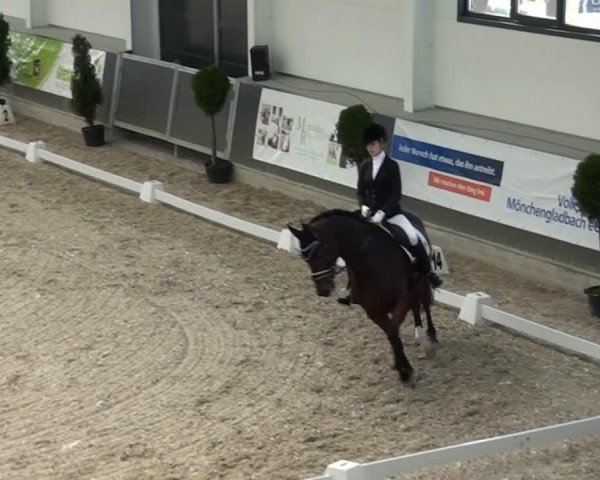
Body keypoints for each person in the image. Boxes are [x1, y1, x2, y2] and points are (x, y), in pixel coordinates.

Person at [338, 123, 442, 306]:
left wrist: (383, 212)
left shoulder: (392, 166)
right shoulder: (365, 166)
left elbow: (396, 194)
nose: (371, 148)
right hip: (368, 215)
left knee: (412, 237)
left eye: (374, 144)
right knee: (353, 244)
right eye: (368, 145)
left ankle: (428, 274)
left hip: (392, 214)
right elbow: (361, 191)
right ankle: (351, 289)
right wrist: (362, 207)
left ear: (382, 143)